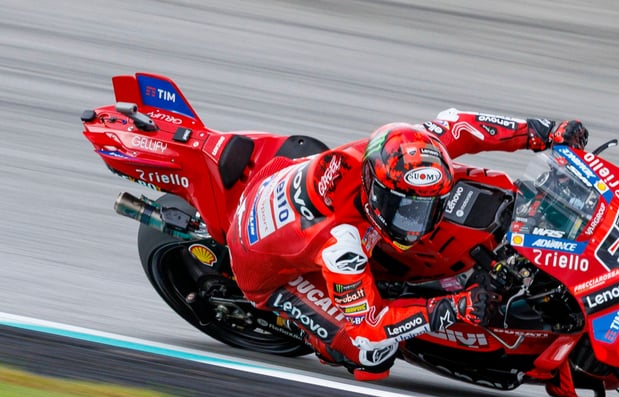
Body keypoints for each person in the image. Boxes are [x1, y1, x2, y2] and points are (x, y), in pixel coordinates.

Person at [225, 112, 589, 380]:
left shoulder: (405, 149)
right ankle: (325, 343)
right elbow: (369, 326)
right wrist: (454, 305)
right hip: (267, 269)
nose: (420, 223)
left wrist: (544, 132)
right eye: (407, 211)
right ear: (375, 191)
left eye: (427, 208)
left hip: (279, 176)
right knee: (371, 354)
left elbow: (465, 126)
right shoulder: (341, 245)